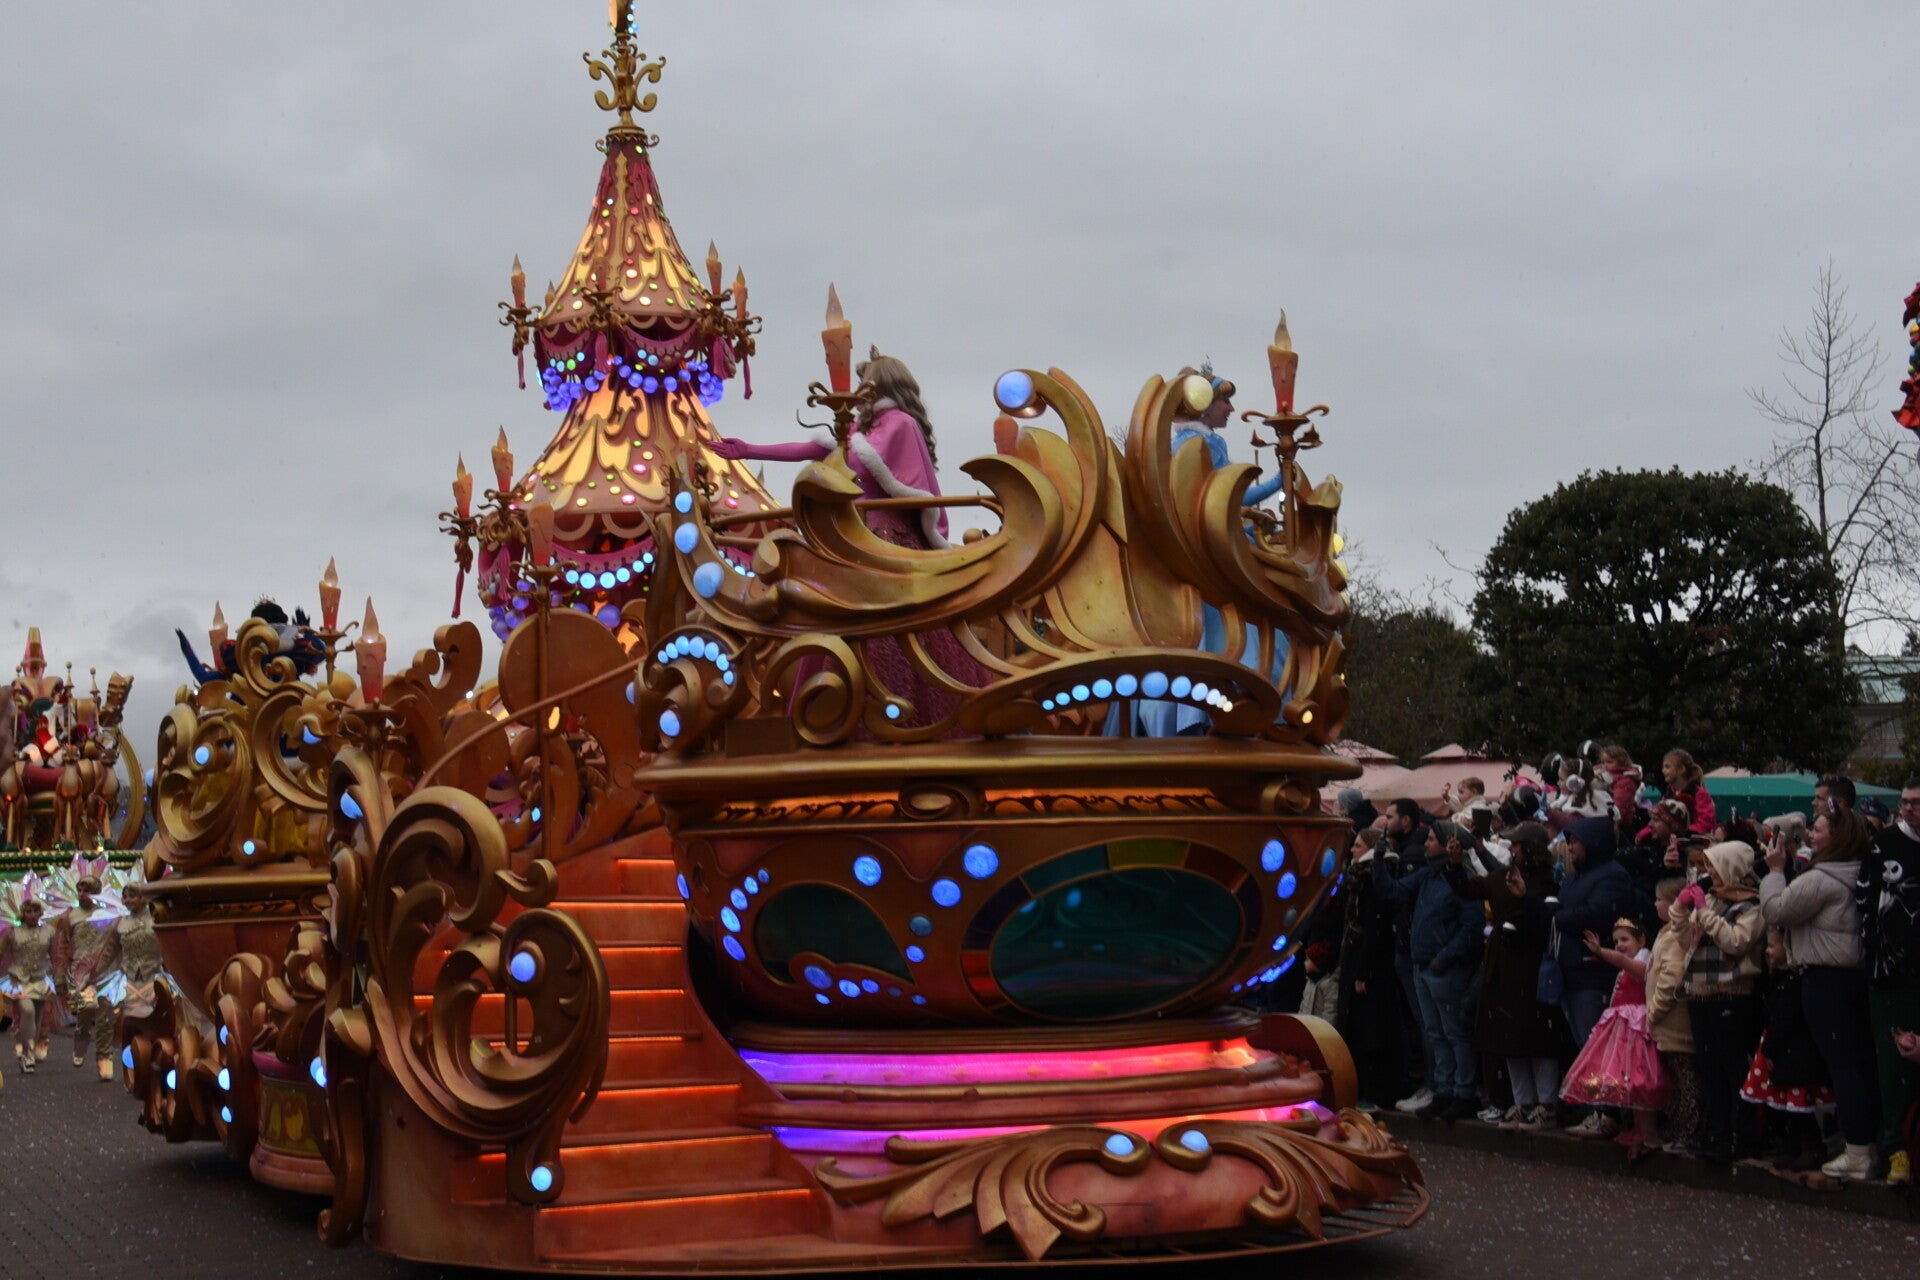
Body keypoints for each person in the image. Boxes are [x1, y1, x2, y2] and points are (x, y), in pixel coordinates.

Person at [711, 350, 984, 725]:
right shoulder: (858, 431)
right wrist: (748, 450)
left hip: (890, 542)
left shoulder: (901, 425)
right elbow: (810, 449)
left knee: (894, 628)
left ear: (882, 386)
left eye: (865, 385)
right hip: (852, 543)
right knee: (838, 623)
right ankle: (834, 712)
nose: (858, 392)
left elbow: (899, 481)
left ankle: (905, 714)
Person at [1759, 808, 1879, 1179]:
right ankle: (1866, 1143)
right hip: (1853, 976)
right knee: (1856, 1064)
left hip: (1825, 977)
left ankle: (1857, 1151)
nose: (1812, 834)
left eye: (1820, 829)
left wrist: (1775, 871)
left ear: (1838, 837)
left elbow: (1776, 910)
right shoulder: (1861, 872)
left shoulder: (1822, 878)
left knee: (1843, 1066)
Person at [1445, 821, 1565, 1131]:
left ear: (1529, 849)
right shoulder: (1502, 877)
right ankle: (1522, 1102)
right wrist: (1455, 865)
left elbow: (1546, 922)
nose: (1511, 849)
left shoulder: (1547, 882)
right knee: (1507, 1037)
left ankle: (1546, 1104)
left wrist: (1525, 898)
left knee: (1537, 1040)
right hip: (1502, 965)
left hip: (1532, 967)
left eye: (1517, 845)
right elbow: (1468, 889)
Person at [1372, 818, 1486, 1120]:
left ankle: (1464, 1091)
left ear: (1449, 845)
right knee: (1436, 1033)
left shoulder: (1463, 879)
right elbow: (1393, 891)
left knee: (1455, 1033)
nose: (1426, 843)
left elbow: (1471, 927)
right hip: (1422, 966)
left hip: (1446, 969)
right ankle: (1444, 1089)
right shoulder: (1428, 875)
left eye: (1432, 839)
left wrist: (1445, 957)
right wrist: (1379, 860)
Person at [1672, 840, 1767, 1164]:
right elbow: (1687, 940)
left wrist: (1704, 912)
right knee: (1709, 1067)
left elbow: (1736, 942)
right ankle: (1717, 1133)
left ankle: (1743, 1134)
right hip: (1700, 991)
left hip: (1732, 992)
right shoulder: (1712, 898)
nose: (1708, 873)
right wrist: (1680, 910)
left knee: (1733, 1066)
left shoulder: (1751, 905)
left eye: (1714, 866)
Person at [1856, 775, 1920, 1185]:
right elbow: (1864, 904)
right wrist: (1876, 962)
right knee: (1895, 1065)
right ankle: (1896, 1150)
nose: (1909, 807)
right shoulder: (1883, 845)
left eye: (1917, 802)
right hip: (1891, 977)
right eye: (1906, 801)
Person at [1561, 919, 1667, 1154]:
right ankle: (1638, 1129)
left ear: (1641, 940)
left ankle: (1648, 1134)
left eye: (1625, 939)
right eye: (1617, 940)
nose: (1619, 945)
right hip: (1625, 1028)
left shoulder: (1644, 960)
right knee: (1631, 1082)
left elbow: (1626, 963)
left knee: (1642, 1081)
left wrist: (1601, 952)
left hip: (1637, 1028)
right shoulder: (1629, 964)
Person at [1548, 818, 1636, 1079]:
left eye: (1576, 842)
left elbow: (1598, 913)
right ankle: (1589, 1098)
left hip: (1593, 975)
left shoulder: (1613, 875)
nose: (1570, 847)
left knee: (1597, 1048)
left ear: (1592, 843)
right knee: (1583, 1047)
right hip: (1570, 972)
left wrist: (1558, 916)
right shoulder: (1574, 877)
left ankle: (1603, 1101)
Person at [1339, 828, 1404, 1111]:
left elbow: (1373, 926)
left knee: (1369, 1029)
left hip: (1368, 965)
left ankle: (1374, 1091)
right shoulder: (1361, 876)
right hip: (1361, 959)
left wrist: (1362, 972)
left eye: (1357, 845)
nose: (1352, 850)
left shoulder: (1370, 879)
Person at [1380, 799, 1435, 1114]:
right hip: (1409, 946)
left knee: (1426, 1023)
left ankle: (1432, 1083)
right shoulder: (1404, 850)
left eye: (1390, 816)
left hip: (1413, 949)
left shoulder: (1413, 855)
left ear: (1407, 820)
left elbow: (1398, 896)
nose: (1385, 822)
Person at [1645, 877, 1702, 1153]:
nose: (1655, 904)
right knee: (1678, 1079)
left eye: (1660, 899)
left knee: (1686, 1078)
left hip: (1674, 1022)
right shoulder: (1665, 932)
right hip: (1667, 1023)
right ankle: (1679, 1128)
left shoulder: (1674, 936)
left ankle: (1689, 1132)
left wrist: (1654, 1010)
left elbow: (1672, 976)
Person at [56, 875, 119, 1075]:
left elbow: (117, 943)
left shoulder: (109, 915)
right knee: (87, 1007)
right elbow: (62, 947)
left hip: (105, 971)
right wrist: (60, 976)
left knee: (105, 1015)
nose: (82, 894)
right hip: (79, 973)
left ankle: (104, 1057)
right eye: (80, 890)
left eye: (88, 891)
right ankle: (81, 1037)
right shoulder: (70, 916)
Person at [2, 898, 57, 1073]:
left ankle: (26, 1045)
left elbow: (55, 955)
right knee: (28, 1011)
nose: (32, 915)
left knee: (37, 1019)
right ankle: (28, 1056)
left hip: (40, 979)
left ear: (41, 913)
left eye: (35, 911)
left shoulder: (49, 931)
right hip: (19, 980)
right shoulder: (13, 932)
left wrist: (59, 976)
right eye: (28, 911)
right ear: (23, 913)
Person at [1660, 749, 1717, 835]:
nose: (1663, 770)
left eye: (1667, 767)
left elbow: (1705, 822)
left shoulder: (1698, 793)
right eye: (1663, 767)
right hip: (1675, 838)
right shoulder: (1668, 795)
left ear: (1681, 769)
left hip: (1696, 839)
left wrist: (1684, 832)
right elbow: (1658, 819)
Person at [1298, 943, 1339, 1022]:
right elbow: (1303, 1005)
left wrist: (1323, 1028)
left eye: (1307, 960)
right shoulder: (1310, 981)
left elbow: (1330, 1012)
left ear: (1316, 962)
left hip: (1319, 1027)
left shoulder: (1330, 984)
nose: (1304, 962)